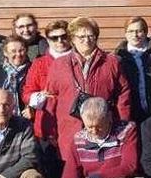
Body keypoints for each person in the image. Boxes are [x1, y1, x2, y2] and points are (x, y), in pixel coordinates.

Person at [45, 17, 132, 159]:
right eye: (81, 36)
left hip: (103, 130)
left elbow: (123, 95)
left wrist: (122, 125)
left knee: (102, 174)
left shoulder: (111, 62)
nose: (86, 40)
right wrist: (50, 131)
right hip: (69, 130)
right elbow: (50, 98)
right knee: (72, 175)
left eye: (91, 36)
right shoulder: (59, 65)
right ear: (72, 38)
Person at [21, 20, 72, 178]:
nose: (60, 41)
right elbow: (27, 92)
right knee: (51, 172)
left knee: (73, 170)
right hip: (47, 125)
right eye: (54, 37)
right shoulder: (40, 63)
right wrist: (38, 96)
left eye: (64, 36)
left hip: (73, 125)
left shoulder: (79, 59)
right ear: (48, 40)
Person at [0, 35, 31, 119]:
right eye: (13, 51)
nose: (18, 54)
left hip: (26, 121)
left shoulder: (34, 70)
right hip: (0, 119)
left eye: (21, 50)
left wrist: (33, 110)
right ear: (5, 53)